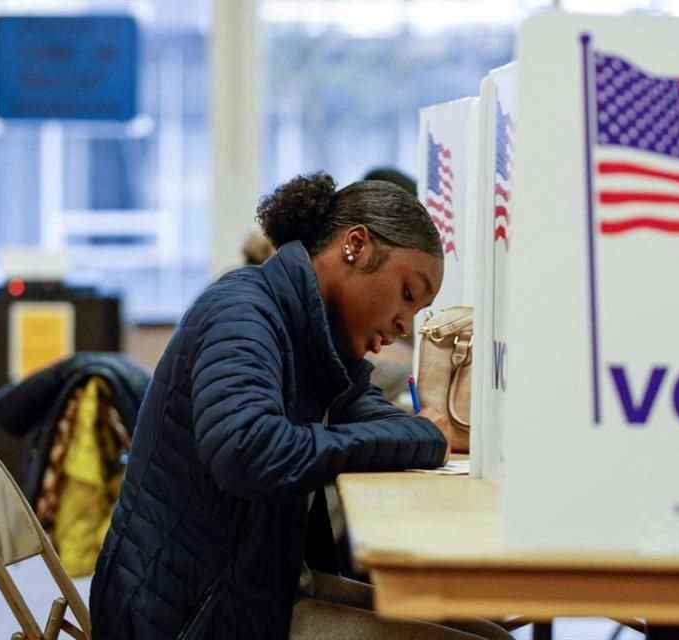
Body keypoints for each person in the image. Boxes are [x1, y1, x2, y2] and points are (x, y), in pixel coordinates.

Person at [89, 173, 509, 640]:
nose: (403, 325)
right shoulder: (243, 311)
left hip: (251, 585)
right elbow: (248, 452)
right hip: (186, 617)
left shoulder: (308, 328)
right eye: (407, 294)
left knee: (493, 635)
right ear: (356, 246)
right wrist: (422, 436)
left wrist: (430, 434)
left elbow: (363, 409)